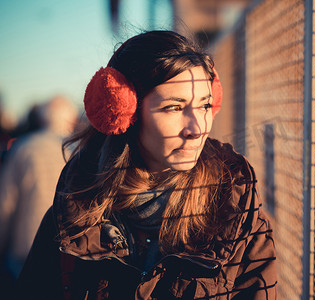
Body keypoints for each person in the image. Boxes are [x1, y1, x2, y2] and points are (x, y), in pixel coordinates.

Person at [15, 31, 277, 299]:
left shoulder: (237, 210)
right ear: (122, 111)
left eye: (205, 105)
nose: (198, 128)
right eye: (174, 108)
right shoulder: (74, 213)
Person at [0, 96, 78, 280]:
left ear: (42, 118)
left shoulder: (24, 148)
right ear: (71, 119)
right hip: (68, 255)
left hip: (24, 252)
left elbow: (5, 204)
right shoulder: (79, 150)